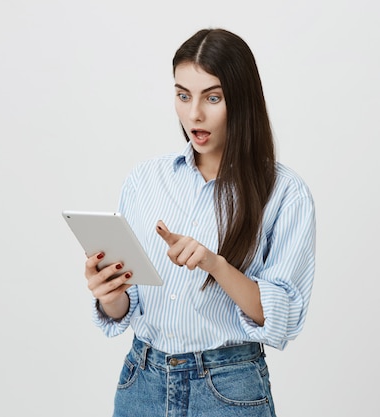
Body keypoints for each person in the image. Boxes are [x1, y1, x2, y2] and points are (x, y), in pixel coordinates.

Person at [84, 28, 315, 417]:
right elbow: (130, 305)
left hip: (228, 389)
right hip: (142, 382)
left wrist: (215, 264)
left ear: (241, 100)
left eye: (213, 97)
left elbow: (283, 319)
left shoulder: (285, 192)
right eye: (182, 95)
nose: (194, 114)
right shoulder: (145, 180)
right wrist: (109, 296)